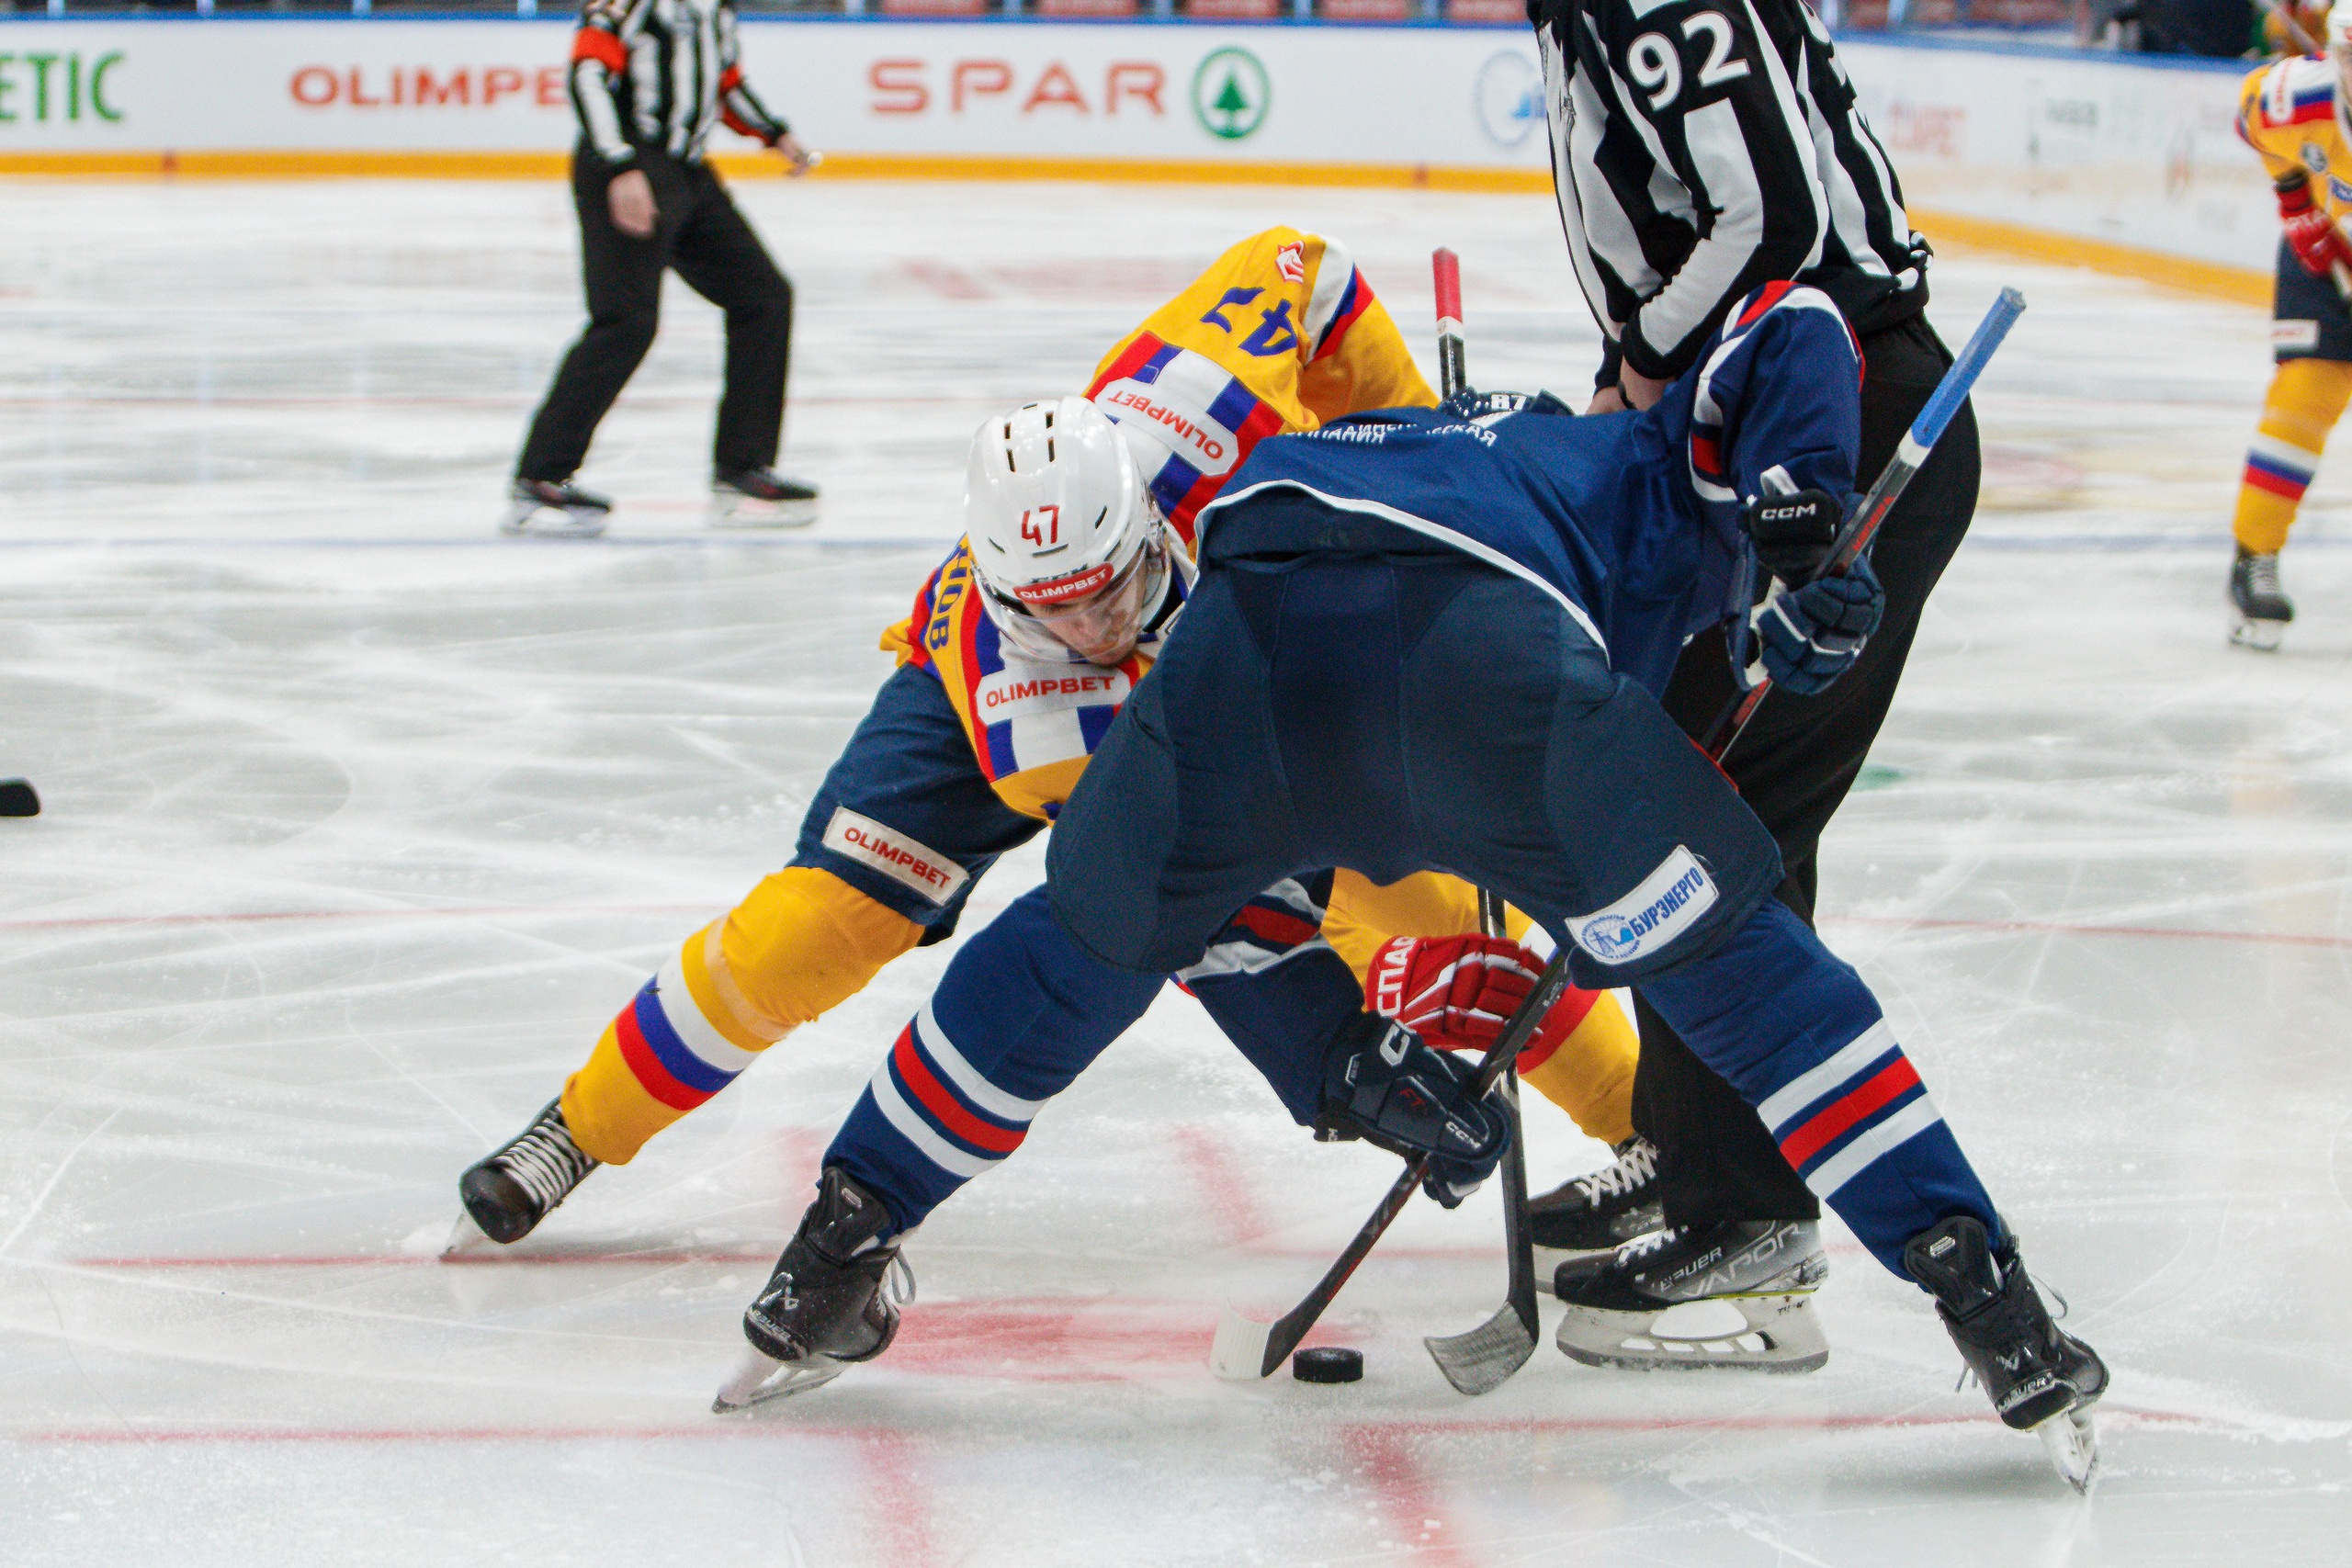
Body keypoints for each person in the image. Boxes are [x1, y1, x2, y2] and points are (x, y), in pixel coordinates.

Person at [1034, 282, 2106, 1476]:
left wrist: (1790, 571)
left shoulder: (1612, 450)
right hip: (1477, 682)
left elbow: (1783, 341)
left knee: (1719, 931)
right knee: (1712, 937)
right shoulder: (1589, 451)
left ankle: (1761, 1207)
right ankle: (1860, 1230)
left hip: (1527, 663)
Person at [454, 231, 1641, 1249]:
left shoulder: (1190, 402)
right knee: (818, 926)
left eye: (1106, 585)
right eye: (1054, 605)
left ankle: (1661, 1139)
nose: (1089, 622)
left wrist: (1405, 453)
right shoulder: (1036, 704)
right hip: (1017, 730)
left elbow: (1306, 274)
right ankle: (581, 1123)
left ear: (1143, 508)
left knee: (1433, 899)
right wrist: (1340, 1059)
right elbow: (1199, 896)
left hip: (1226, 663)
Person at [1524, 0, 1986, 1371]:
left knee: (1708, 818)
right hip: (1766, 414)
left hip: (1827, 430)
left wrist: (1634, 370)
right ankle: (1695, 1152)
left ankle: (1750, 1223)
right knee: (1678, 784)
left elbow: (1775, 217)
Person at [503, 0, 820, 538]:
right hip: (630, 166)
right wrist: (619, 165)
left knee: (764, 297)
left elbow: (724, 80)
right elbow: (587, 77)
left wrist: (774, 133)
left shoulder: (715, 6)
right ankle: (541, 475)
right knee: (625, 321)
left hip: (689, 174)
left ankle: (742, 466)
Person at [2227, 7, 2352, 650]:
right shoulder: (2297, 96)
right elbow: (2251, 120)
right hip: (2325, 257)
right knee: (2305, 398)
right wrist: (2296, 206)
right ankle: (2255, 553)